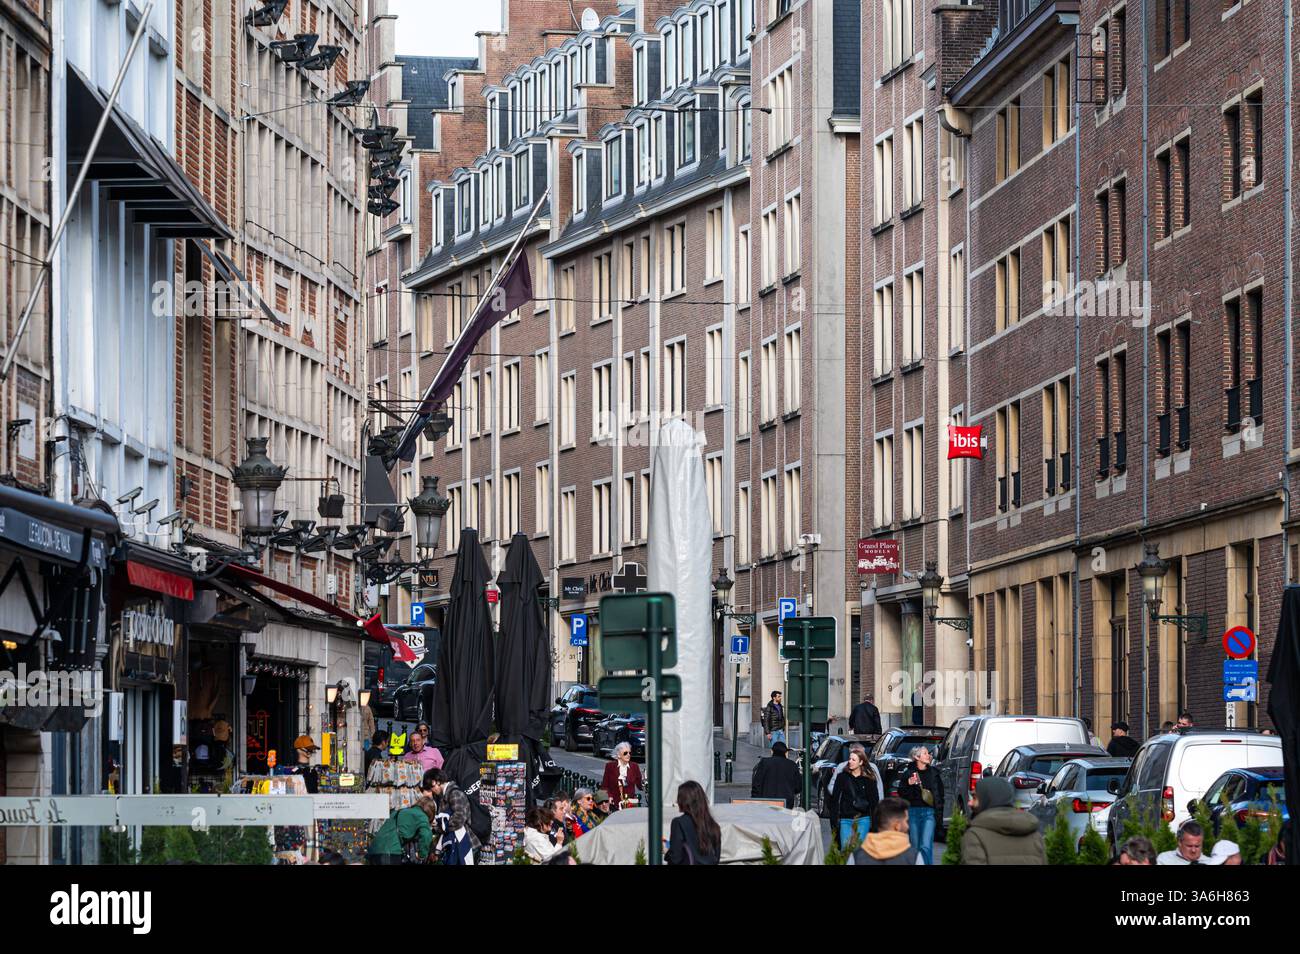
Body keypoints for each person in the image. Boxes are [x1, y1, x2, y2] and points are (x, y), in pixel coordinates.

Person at [961, 777, 1046, 865]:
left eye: (974, 798)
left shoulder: (975, 835)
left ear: (988, 799)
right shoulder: (1035, 836)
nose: (969, 803)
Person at [366, 772, 438, 864]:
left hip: (374, 850)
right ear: (430, 812)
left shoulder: (401, 811)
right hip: (389, 852)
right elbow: (426, 835)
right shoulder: (422, 816)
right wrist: (421, 854)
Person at [896, 744, 943, 865]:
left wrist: (939, 816)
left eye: (928, 753)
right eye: (925, 753)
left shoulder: (934, 773)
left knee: (926, 846)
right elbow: (901, 793)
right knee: (915, 847)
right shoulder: (909, 773)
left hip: (929, 813)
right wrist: (909, 784)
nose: (929, 755)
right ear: (917, 757)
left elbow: (940, 796)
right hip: (913, 812)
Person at [848, 797, 924, 865]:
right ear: (897, 826)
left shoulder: (856, 857)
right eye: (906, 821)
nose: (907, 826)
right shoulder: (913, 857)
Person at [427, 768, 480, 865]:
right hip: (456, 844)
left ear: (437, 782)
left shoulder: (454, 793)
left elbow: (459, 819)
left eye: (431, 786)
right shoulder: (445, 795)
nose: (432, 790)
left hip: (465, 843)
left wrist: (440, 826)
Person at [834, 746, 879, 849]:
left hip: (863, 818)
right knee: (845, 850)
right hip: (846, 818)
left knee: (858, 849)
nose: (850, 761)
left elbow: (874, 802)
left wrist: (875, 824)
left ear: (861, 762)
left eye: (853, 759)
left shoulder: (868, 779)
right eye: (849, 759)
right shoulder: (842, 777)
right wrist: (835, 820)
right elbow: (835, 799)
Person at [666, 780, 721, 865]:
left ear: (684, 801)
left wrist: (667, 853)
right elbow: (716, 859)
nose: (677, 801)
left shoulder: (679, 823)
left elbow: (675, 858)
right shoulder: (713, 826)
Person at [751, 740, 801, 808]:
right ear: (785, 753)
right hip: (786, 805)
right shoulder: (792, 765)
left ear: (772, 751)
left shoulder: (764, 763)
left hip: (766, 804)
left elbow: (756, 785)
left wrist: (755, 801)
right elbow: (798, 787)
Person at [601, 741, 643, 809]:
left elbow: (640, 786)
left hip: (630, 804)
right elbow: (604, 786)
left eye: (630, 753)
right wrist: (609, 796)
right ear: (618, 755)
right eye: (625, 753)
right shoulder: (610, 766)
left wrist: (645, 782)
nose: (628, 755)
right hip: (614, 804)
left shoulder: (635, 766)